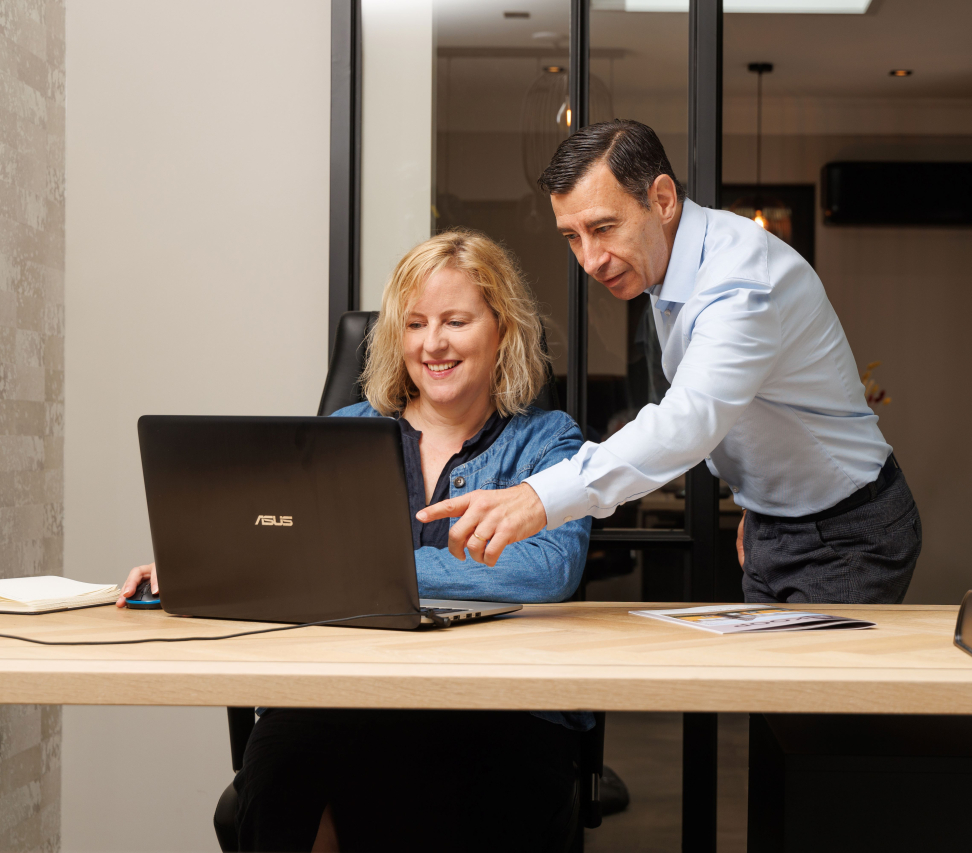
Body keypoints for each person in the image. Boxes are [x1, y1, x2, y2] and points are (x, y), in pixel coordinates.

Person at [118, 229, 594, 852]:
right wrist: (203, 563)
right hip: (342, 690)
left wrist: (366, 568)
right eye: (416, 323)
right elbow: (284, 540)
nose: (434, 343)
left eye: (456, 321)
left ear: (502, 330)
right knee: (274, 781)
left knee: (477, 798)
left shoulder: (548, 439)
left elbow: (549, 567)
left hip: (498, 703)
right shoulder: (343, 433)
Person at [423, 120, 922, 605]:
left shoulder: (740, 281)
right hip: (774, 522)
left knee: (809, 691)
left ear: (661, 199)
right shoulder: (669, 268)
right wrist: (762, 506)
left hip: (845, 530)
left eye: (603, 227)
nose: (590, 260)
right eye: (572, 237)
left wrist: (538, 498)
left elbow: (687, 422)